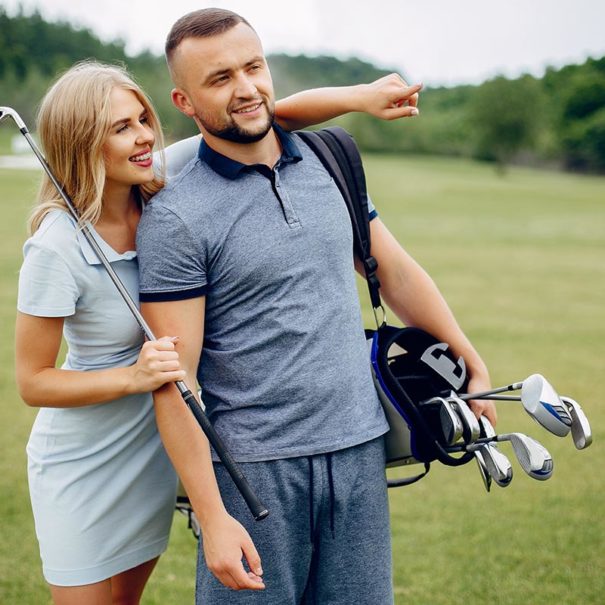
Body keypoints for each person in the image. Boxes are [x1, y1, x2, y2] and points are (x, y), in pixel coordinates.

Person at [14, 60, 424, 605]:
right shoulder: (55, 246)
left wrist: (362, 96)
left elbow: (274, 116)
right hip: (84, 459)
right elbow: (33, 383)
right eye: (120, 127)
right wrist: (132, 377)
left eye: (143, 118)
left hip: (155, 446)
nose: (142, 136)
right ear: (81, 141)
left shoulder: (158, 181)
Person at [136, 7, 497, 605]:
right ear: (185, 100)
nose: (247, 89)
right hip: (252, 474)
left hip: (360, 450)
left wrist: (471, 363)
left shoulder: (331, 162)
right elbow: (177, 381)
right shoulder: (175, 215)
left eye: (253, 67)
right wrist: (214, 514)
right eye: (220, 79)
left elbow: (400, 275)